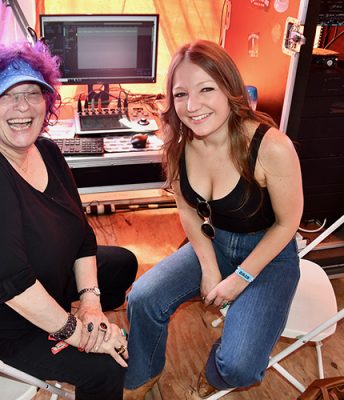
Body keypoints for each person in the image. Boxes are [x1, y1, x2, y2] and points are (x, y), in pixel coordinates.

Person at [0, 40, 138, 400]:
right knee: (105, 368)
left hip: (38, 279)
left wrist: (91, 304)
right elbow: (13, 287)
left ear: (48, 100)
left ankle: (86, 321)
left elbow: (81, 235)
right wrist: (79, 334)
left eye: (32, 93)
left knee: (123, 264)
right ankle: (85, 342)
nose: (23, 106)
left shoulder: (46, 150)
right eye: (6, 96)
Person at [123, 39, 303, 399]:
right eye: (181, 94)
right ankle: (143, 373)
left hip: (269, 254)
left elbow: (288, 223)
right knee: (142, 297)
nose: (192, 106)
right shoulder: (178, 142)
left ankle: (217, 374)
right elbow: (187, 209)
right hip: (214, 242)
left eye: (206, 89)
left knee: (240, 366)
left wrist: (240, 278)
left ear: (229, 88)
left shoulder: (271, 146)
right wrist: (208, 268)